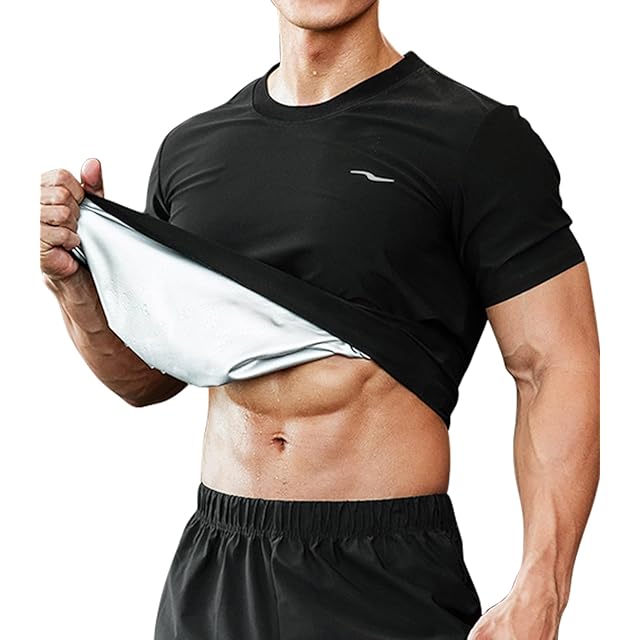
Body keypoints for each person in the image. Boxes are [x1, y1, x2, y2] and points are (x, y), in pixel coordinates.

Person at [39, 1, 600, 638]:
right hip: (219, 564)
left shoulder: (477, 140)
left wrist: (543, 587)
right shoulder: (191, 149)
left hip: (378, 567)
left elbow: (553, 365)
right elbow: (149, 381)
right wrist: (77, 286)